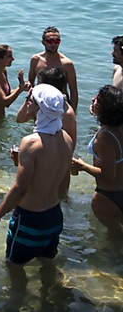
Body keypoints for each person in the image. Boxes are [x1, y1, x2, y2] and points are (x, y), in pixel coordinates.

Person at [0, 85, 73, 265]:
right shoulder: (66, 138)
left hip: (30, 220)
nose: (27, 103)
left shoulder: (31, 144)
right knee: (47, 265)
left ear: (39, 108)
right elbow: (50, 172)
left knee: (14, 268)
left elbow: (20, 188)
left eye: (30, 100)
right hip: (54, 217)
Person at [71, 85, 123, 237]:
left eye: (97, 100)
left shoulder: (105, 136)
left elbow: (108, 175)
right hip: (120, 190)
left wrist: (82, 166)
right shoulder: (118, 128)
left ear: (105, 108)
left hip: (107, 197)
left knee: (113, 240)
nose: (92, 100)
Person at [28, 26, 79, 111]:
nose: (53, 44)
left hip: (60, 105)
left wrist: (72, 112)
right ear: (43, 42)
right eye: (50, 41)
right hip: (40, 104)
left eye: (57, 41)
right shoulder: (35, 60)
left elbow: (73, 91)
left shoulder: (67, 64)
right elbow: (31, 83)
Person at [0, 44, 29, 121]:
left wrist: (23, 88)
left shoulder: (3, 71)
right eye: (9, 56)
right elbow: (6, 102)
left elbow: (6, 94)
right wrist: (19, 88)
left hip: (1, 118)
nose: (13, 59)